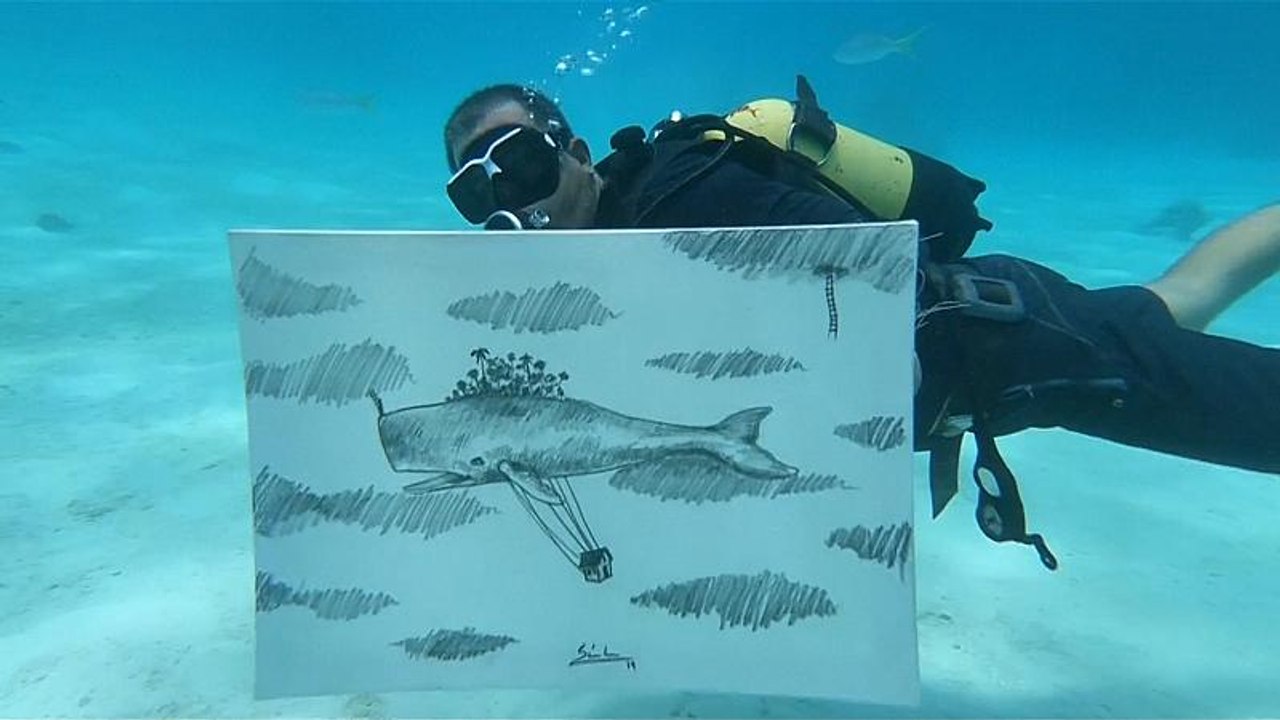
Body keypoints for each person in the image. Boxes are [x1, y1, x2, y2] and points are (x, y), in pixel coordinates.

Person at [441, 81, 1280, 568]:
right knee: (1179, 301)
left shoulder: (687, 195)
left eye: (518, 162)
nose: (511, 198)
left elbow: (882, 268)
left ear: (576, 153)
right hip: (993, 351)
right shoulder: (596, 271)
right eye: (479, 192)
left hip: (1008, 344)